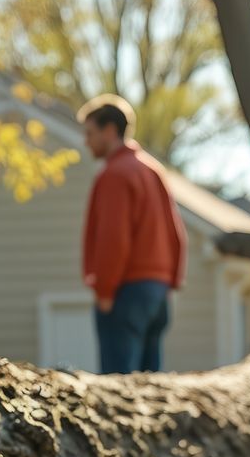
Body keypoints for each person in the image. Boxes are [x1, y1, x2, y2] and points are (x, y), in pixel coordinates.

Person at [77, 94, 185, 374]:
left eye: (90, 133)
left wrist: (104, 289)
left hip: (126, 291)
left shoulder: (115, 174)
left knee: (119, 389)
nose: (85, 141)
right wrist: (171, 281)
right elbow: (176, 233)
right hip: (157, 293)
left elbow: (113, 238)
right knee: (150, 390)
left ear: (109, 130)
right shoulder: (152, 170)